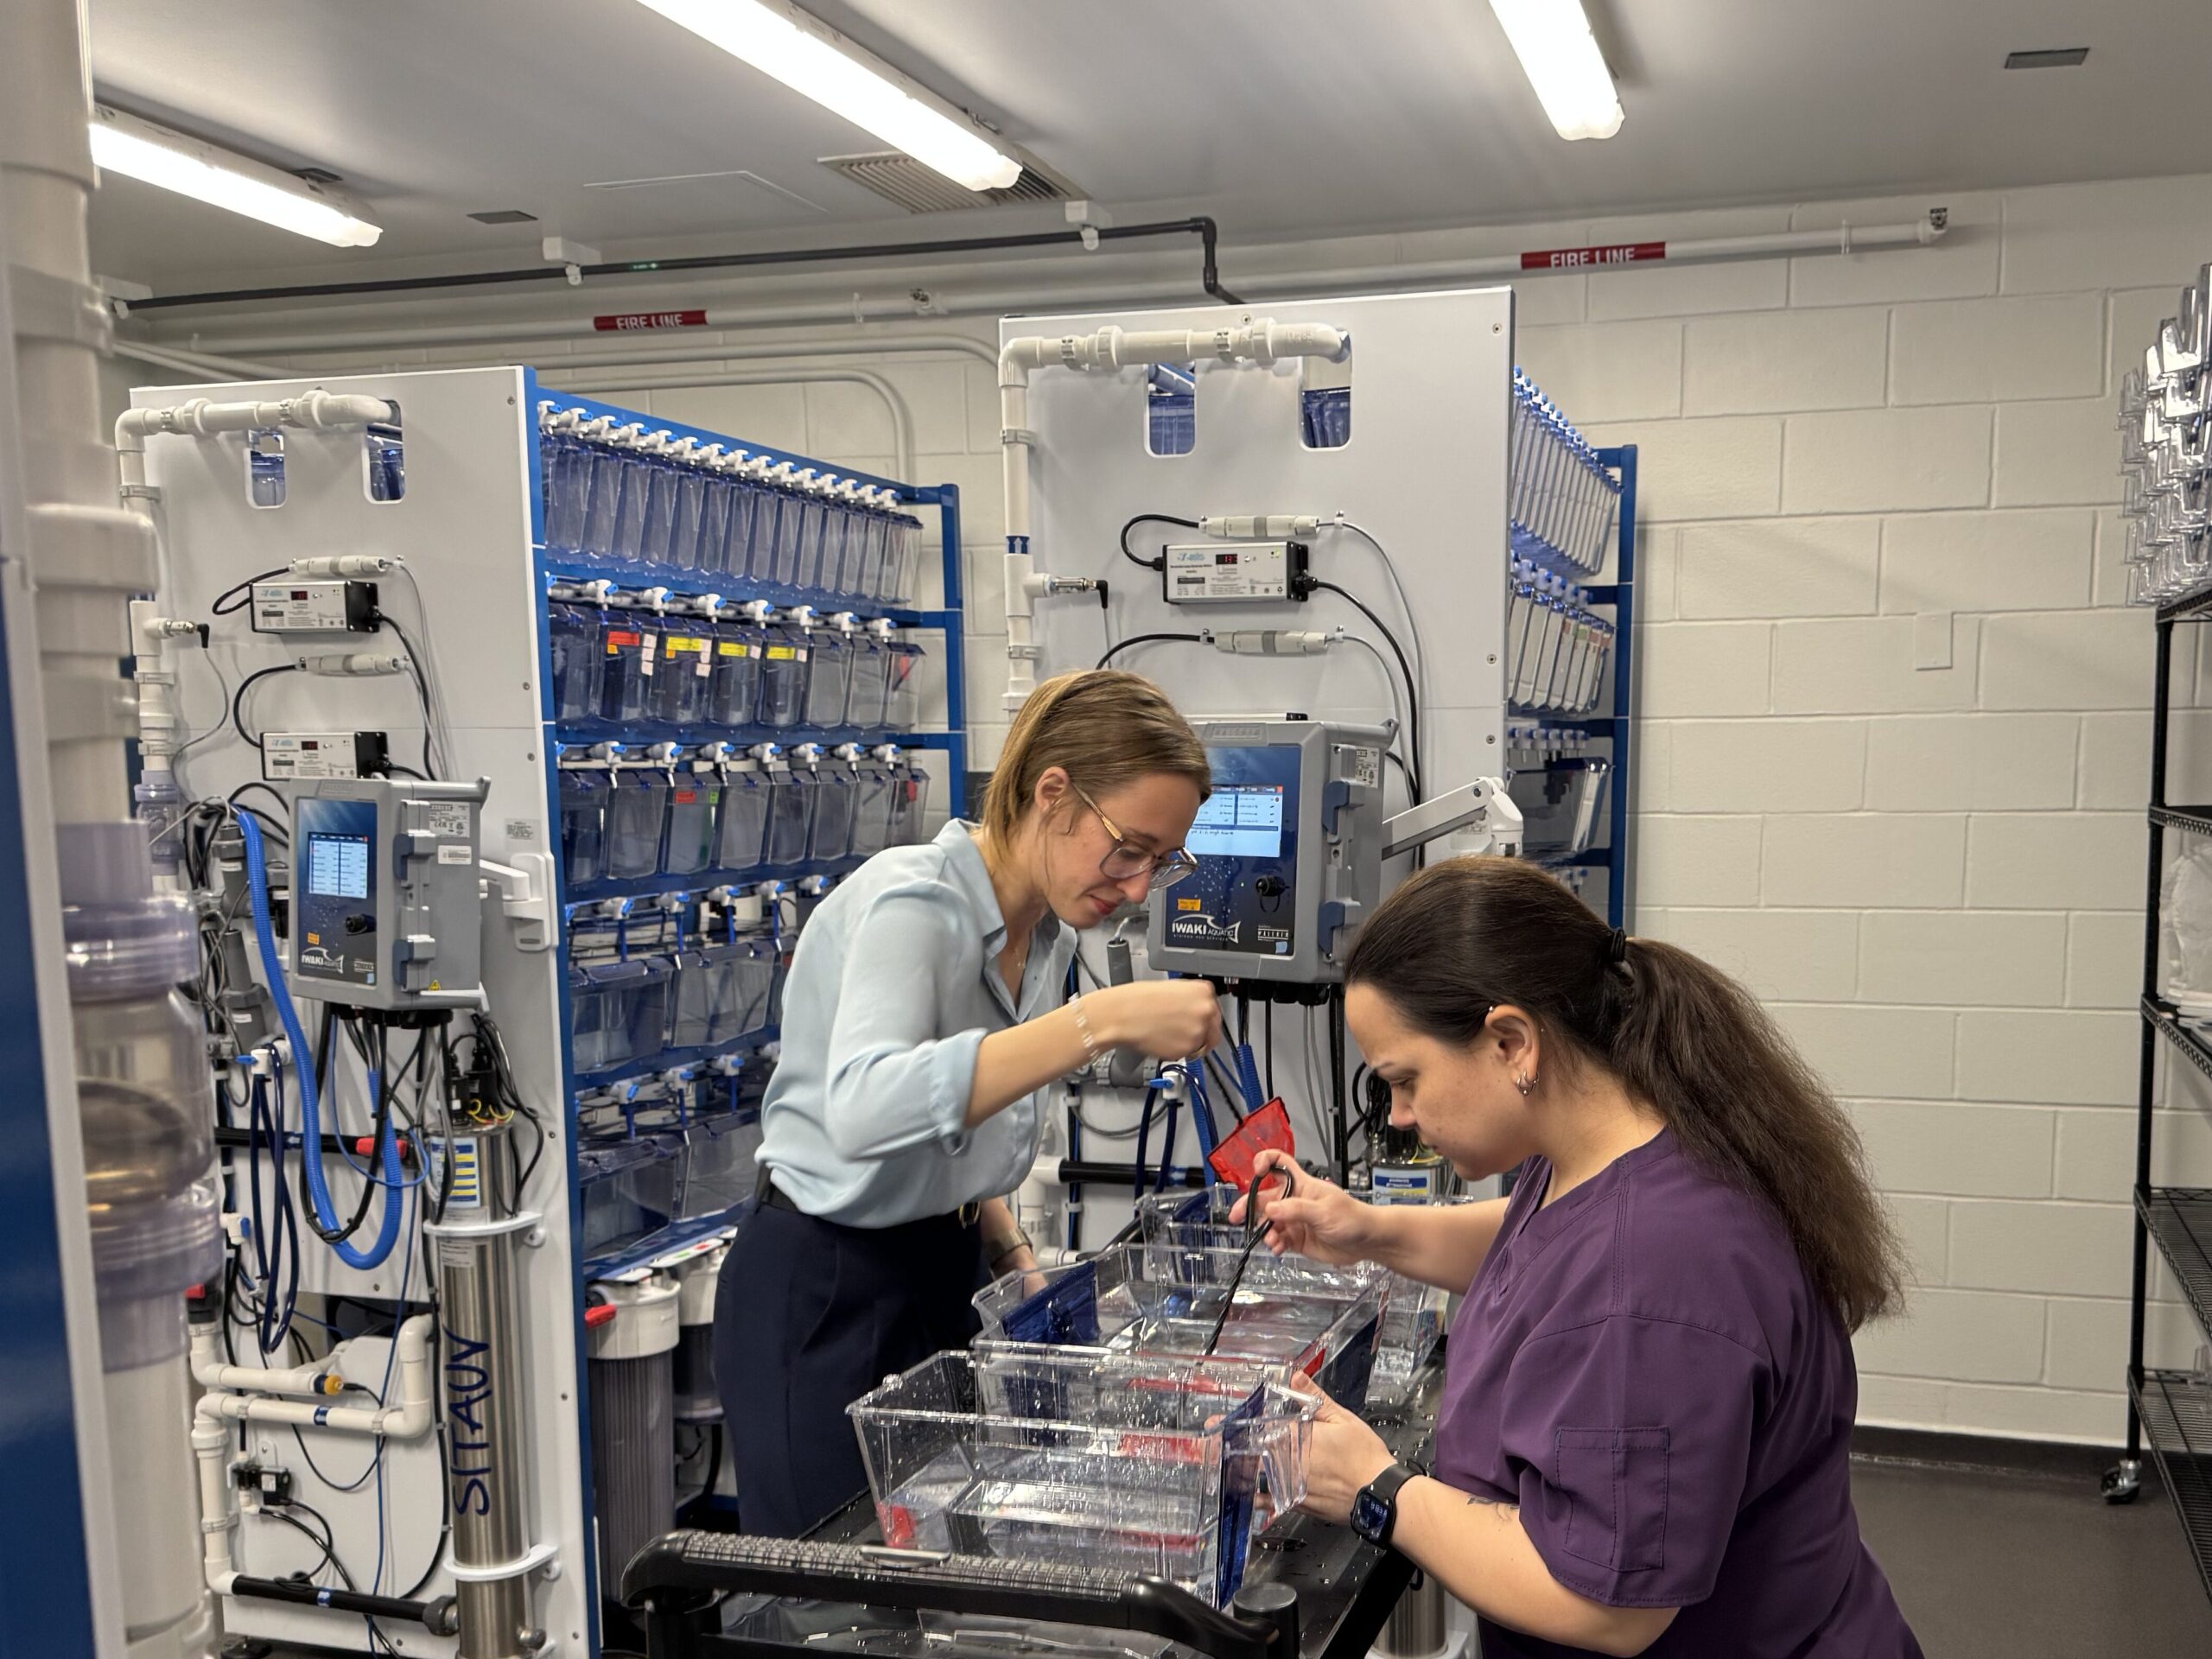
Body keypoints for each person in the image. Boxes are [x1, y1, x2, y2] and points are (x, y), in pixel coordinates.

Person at [1237, 858, 1922, 1658]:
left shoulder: (1653, 1273)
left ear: (1510, 1042)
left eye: (1406, 1079)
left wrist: (1378, 1488)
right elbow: (1542, 1244)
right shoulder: (1616, 1145)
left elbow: (1603, 1604)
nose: (1399, 1117)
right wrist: (1367, 1230)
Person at [715, 669, 1224, 1537]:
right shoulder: (916, 901)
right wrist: (1095, 1021)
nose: (1139, 887)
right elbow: (868, 1108)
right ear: (1052, 793)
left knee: (937, 1562)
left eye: (1160, 860)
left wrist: (1010, 1254)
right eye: (1129, 849)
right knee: (833, 1599)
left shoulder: (1046, 933)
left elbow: (949, 1120)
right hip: (826, 1285)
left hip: (934, 1274)